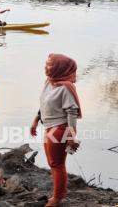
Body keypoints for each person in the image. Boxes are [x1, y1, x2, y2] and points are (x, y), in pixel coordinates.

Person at [30, 54, 81, 207]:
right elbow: (44, 103)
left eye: (50, 65)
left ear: (60, 68)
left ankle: (57, 198)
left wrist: (71, 136)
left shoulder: (66, 87)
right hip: (48, 126)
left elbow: (72, 112)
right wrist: (36, 120)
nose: (46, 67)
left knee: (57, 164)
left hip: (60, 127)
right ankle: (57, 194)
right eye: (47, 64)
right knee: (53, 163)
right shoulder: (49, 82)